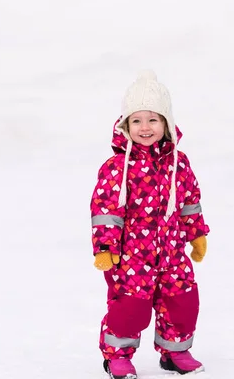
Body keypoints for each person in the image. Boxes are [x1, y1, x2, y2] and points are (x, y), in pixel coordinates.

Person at [90, 70, 210, 379]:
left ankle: (176, 352)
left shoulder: (178, 163)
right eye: (137, 120)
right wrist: (106, 248)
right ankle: (117, 356)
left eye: (153, 120)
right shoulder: (117, 167)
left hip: (172, 252)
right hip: (132, 255)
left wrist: (196, 234)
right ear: (125, 125)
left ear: (166, 123)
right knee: (129, 307)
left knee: (182, 301)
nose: (145, 128)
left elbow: (188, 201)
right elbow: (106, 210)